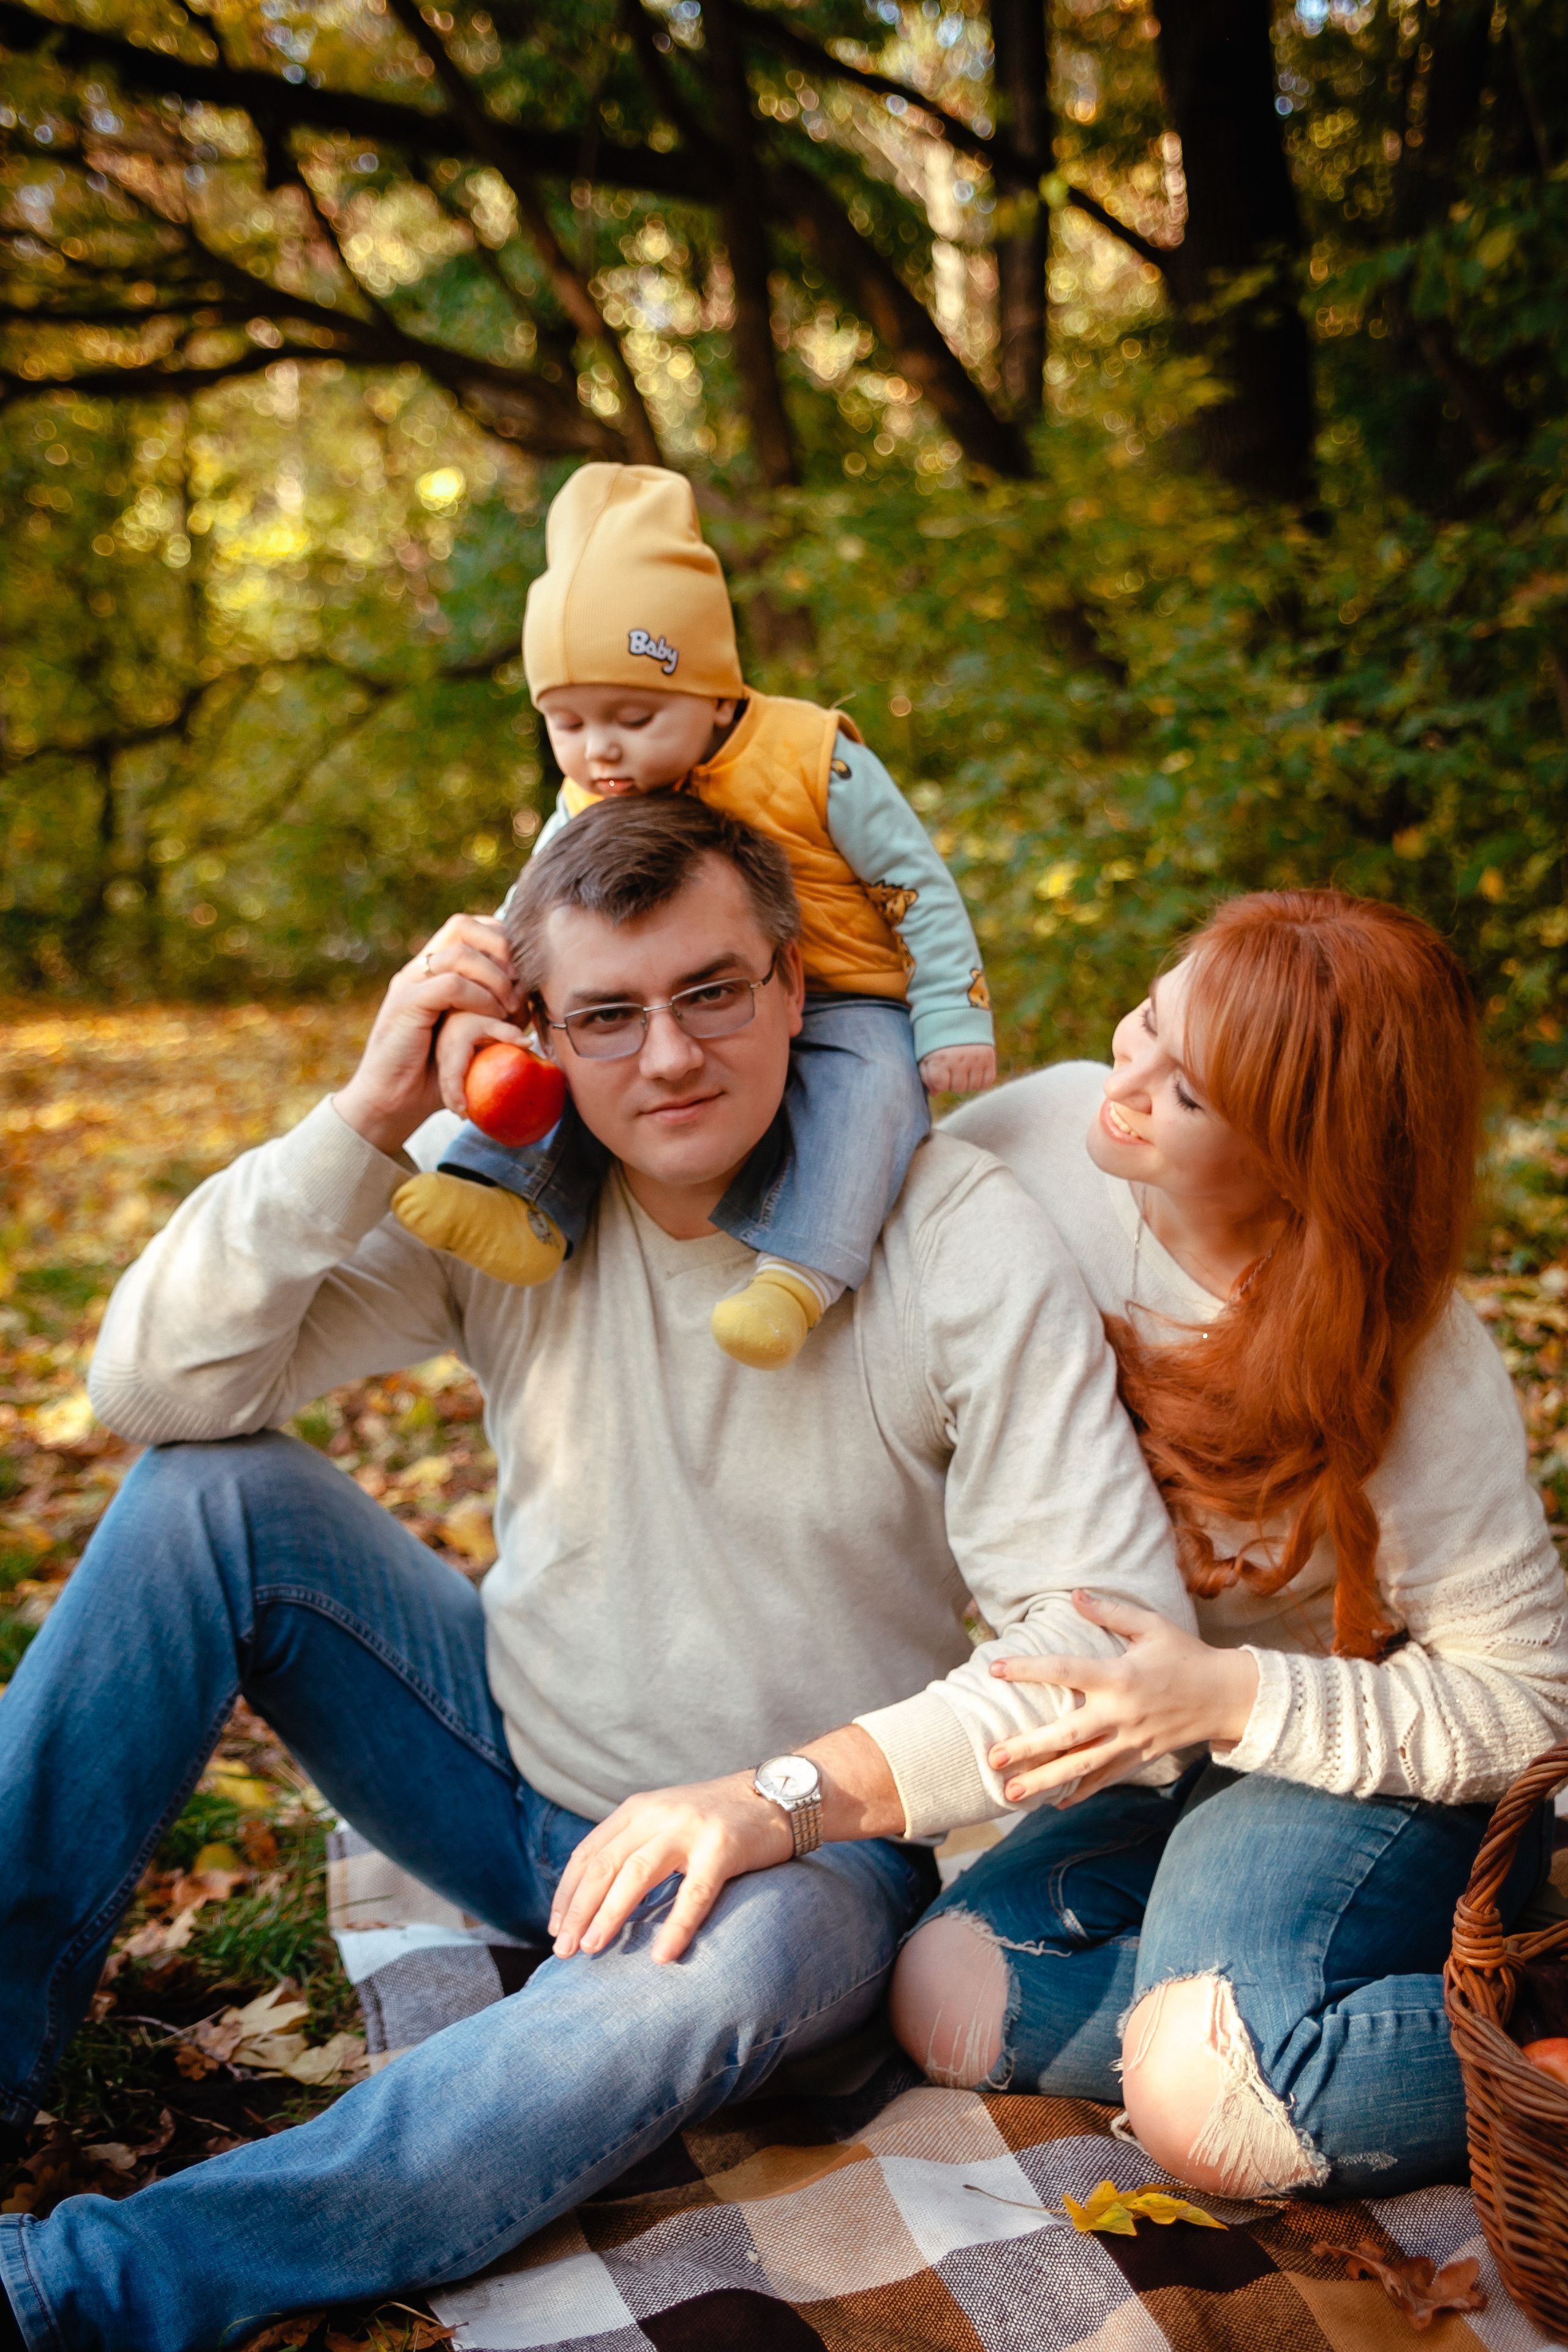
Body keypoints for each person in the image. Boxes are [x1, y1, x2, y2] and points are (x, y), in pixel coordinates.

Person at [0, 794, 1190, 2352]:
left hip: (799, 1853)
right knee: (203, 1497)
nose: (672, 1057)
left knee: (720, 1972)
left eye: (711, 992)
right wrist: (366, 1114)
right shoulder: (506, 1190)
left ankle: (73, 2293)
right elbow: (155, 1392)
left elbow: (1108, 1640)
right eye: (608, 1017)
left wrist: (773, 1800)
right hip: (500, 1777)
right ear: (541, 1035)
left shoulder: (946, 1231)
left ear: (789, 984)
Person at [890, 888, 1568, 2199]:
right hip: (1163, 1759)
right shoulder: (1030, 1139)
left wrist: (1226, 1695)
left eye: (1185, 1091)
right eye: (1146, 1016)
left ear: (1302, 1159)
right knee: (949, 1997)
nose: (1123, 1080)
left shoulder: (1412, 1360)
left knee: (1212, 2101)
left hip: (1354, 1763)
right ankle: (1241, 2027)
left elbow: (1532, 1702)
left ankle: (1336, 2044)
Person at [393, 461, 997, 1371]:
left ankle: (799, 1275)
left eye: (633, 715)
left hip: (844, 990)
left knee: (872, 1094)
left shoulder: (809, 756)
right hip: (675, 996)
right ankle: (512, 1195)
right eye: (567, 722)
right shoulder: (586, 799)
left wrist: (951, 1007)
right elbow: (533, 911)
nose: (599, 751)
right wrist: (481, 992)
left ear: (715, 690)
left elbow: (913, 882)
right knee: (591, 1045)